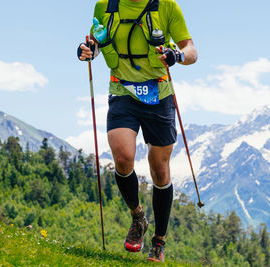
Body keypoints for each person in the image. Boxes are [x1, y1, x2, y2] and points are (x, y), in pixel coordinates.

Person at [78, 0, 197, 262]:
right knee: (122, 157)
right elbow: (98, 39)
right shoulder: (105, 6)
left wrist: (176, 55)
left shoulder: (167, 6)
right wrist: (88, 49)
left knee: (159, 168)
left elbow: (191, 51)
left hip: (159, 93)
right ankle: (138, 218)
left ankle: (159, 242)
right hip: (122, 91)